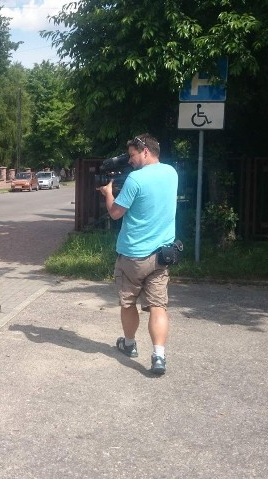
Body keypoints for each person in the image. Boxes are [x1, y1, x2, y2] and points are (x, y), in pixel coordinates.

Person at [97, 134, 178, 375]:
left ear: (145, 151)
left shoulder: (135, 180)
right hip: (162, 255)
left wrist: (108, 193)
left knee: (128, 302)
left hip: (133, 255)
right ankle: (159, 356)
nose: (129, 160)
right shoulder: (171, 173)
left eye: (132, 155)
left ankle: (130, 344)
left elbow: (115, 213)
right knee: (158, 306)